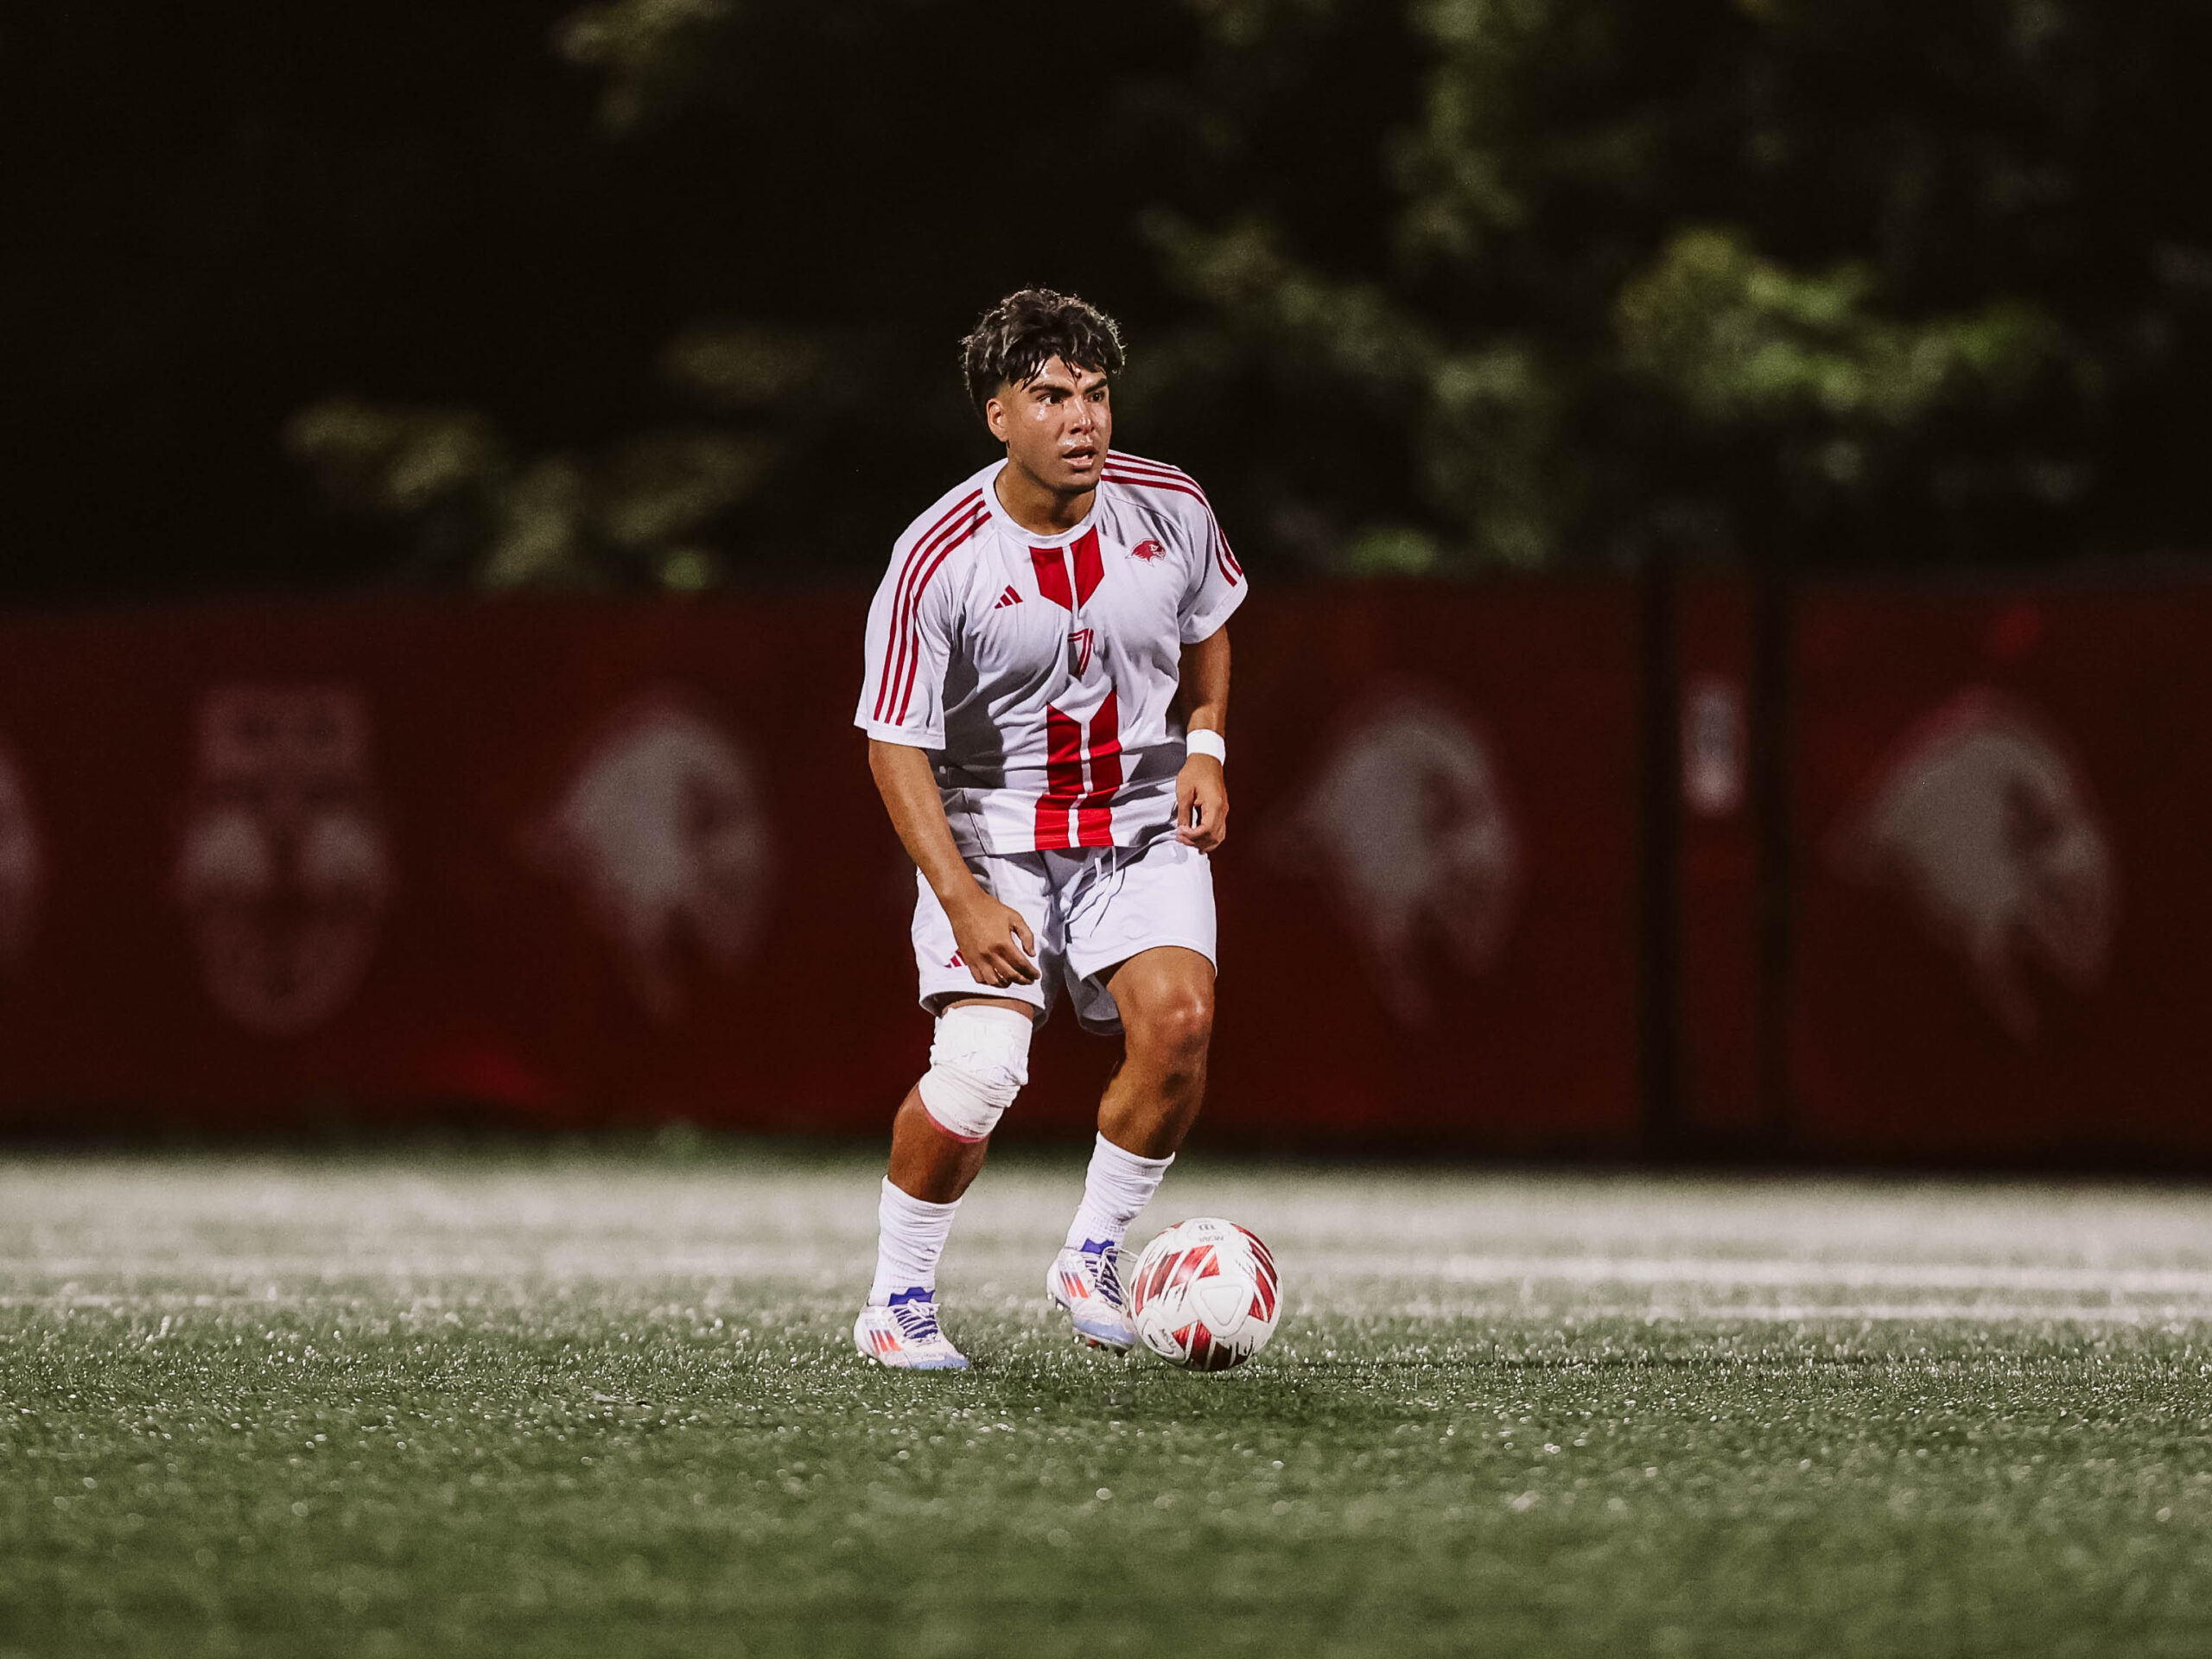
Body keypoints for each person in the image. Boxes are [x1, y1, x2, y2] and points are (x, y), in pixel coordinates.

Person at [851, 288, 1245, 1369]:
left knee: (1180, 1025)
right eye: (1051, 396)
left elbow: (1211, 624)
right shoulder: (937, 555)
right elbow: (893, 741)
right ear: (998, 417)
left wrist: (1203, 748)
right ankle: (897, 1297)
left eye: (1097, 394)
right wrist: (960, 894)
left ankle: (1091, 1251)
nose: (1083, 420)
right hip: (994, 830)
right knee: (980, 1071)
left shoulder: (1169, 506)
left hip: (1137, 819)